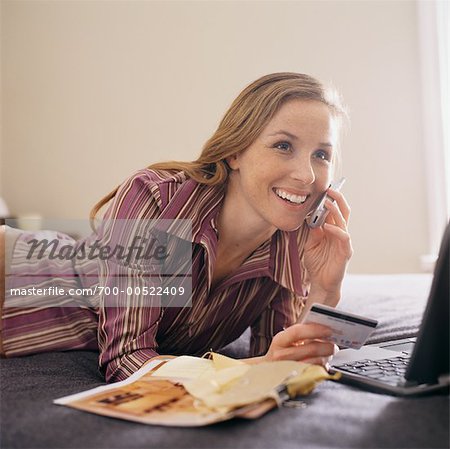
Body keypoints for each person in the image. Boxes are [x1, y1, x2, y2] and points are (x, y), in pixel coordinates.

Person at [0, 72, 352, 382]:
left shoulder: (293, 240)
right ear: (235, 153)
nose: (306, 175)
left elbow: (285, 364)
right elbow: (127, 360)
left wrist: (324, 290)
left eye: (321, 155)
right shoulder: (160, 201)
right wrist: (254, 369)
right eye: (283, 145)